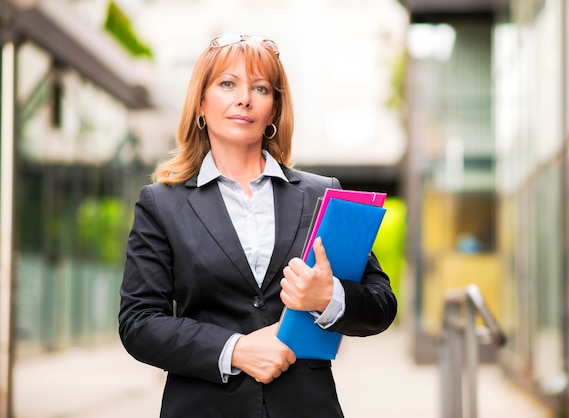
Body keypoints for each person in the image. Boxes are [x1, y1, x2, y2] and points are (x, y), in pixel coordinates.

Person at [118, 34, 397, 418]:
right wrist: (235, 349)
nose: (244, 98)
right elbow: (139, 323)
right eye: (227, 83)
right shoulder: (161, 204)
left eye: (260, 87)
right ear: (201, 103)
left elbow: (381, 305)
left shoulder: (323, 194)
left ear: (273, 110)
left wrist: (327, 296)